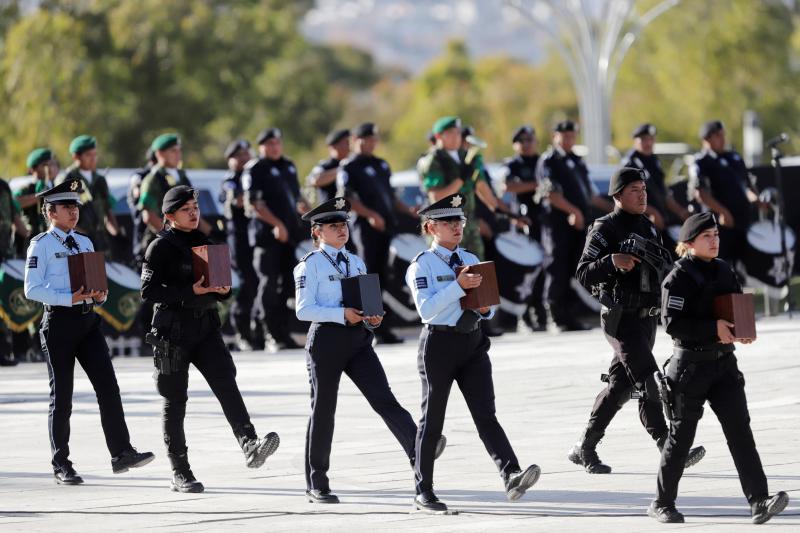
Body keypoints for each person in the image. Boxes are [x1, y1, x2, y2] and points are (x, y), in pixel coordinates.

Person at [293, 197, 445, 503]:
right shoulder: (309, 265)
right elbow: (303, 309)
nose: (341, 231)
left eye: (343, 225)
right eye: (333, 226)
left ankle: (418, 451)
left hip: (358, 340)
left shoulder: (355, 261)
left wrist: (373, 317)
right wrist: (340, 314)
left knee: (384, 399)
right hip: (327, 340)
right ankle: (317, 481)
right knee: (324, 409)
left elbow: (367, 302)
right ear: (317, 232)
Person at [649, 212, 789, 524]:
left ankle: (759, 501)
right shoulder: (677, 278)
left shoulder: (724, 269)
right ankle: (662, 502)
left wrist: (742, 329)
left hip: (724, 364)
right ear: (688, 244)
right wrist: (714, 327)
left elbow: (735, 304)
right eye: (707, 237)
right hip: (690, 369)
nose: (714, 241)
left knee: (741, 433)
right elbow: (672, 325)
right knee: (680, 438)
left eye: (716, 235)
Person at [405, 193, 541, 513]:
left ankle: (510, 473)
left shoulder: (469, 257)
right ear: (430, 227)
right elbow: (426, 310)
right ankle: (423, 488)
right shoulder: (422, 264)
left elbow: (487, 305)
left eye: (460, 221)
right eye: (448, 222)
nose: (456, 227)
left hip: (473, 342)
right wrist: (458, 287)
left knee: (486, 414)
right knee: (432, 420)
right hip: (439, 345)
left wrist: (483, 308)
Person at [141, 185, 280, 493]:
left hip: (205, 329)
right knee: (175, 400)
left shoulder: (206, 241)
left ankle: (249, 443)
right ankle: (180, 470)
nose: (194, 213)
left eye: (195, 207)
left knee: (227, 385)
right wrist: (190, 291)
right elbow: (148, 292)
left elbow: (224, 290)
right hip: (173, 332)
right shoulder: (160, 247)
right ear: (169, 215)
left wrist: (218, 287)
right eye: (186, 209)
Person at [569, 167, 705, 474]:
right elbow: (583, 271)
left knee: (619, 386)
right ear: (617, 195)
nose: (642, 195)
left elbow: (666, 270)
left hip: (646, 320)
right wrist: (612, 261)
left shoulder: (649, 227)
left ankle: (585, 447)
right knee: (649, 380)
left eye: (644, 190)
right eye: (634, 190)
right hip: (620, 318)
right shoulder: (605, 228)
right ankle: (670, 446)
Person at [24, 178, 155, 484]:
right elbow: (32, 289)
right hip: (59, 323)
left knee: (108, 387)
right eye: (67, 207)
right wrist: (66, 298)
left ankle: (122, 452)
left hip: (87, 322)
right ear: (50, 211)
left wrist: (99, 295)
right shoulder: (40, 245)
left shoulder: (84, 242)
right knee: (63, 397)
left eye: (76, 206)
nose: (74, 212)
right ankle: (61, 463)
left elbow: (96, 283)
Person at [337, 122, 416, 344]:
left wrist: (407, 210)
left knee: (383, 277)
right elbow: (348, 198)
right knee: (368, 277)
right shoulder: (349, 167)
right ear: (355, 141)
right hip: (364, 228)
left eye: (373, 139)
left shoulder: (381, 164)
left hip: (385, 227)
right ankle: (368, 327)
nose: (370, 143)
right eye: (365, 139)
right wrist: (370, 215)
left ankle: (381, 325)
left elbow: (390, 195)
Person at [536, 120, 613, 332]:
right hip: (558, 224)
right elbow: (549, 193)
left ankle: (570, 315)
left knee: (574, 268)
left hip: (578, 226)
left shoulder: (576, 161)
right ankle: (554, 315)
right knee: (556, 268)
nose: (569, 139)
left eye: (572, 135)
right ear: (555, 136)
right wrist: (573, 211)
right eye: (565, 135)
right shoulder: (549, 161)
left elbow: (590, 194)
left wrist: (615, 207)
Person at [243, 127, 309, 351]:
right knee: (268, 283)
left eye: (277, 143)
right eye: (269, 144)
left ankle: (283, 332)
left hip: (290, 236)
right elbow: (255, 203)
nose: (274, 147)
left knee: (288, 284)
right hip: (267, 236)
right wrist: (277, 224)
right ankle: (267, 330)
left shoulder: (288, 165)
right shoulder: (255, 169)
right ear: (261, 147)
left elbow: (297, 197)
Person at [418, 117, 507, 260]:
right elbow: (436, 197)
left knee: (478, 270)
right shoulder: (433, 160)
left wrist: (499, 209)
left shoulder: (466, 156)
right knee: (448, 270)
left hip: (468, 224)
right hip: (444, 227)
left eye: (458, 133)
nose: (456, 137)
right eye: (451, 133)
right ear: (439, 136)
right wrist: (460, 179)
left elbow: (481, 186)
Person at [688, 120, 760, 267]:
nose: (722, 139)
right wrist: (723, 212)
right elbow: (700, 193)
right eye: (718, 136)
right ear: (707, 139)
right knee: (720, 266)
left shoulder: (734, 157)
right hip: (718, 224)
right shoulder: (701, 161)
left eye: (723, 135)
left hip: (741, 220)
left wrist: (757, 199)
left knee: (742, 267)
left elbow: (746, 185)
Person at [502, 125, 547, 330]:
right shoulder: (513, 164)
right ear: (515, 144)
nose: (527, 144)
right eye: (522, 141)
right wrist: (537, 185)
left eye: (530, 140)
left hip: (544, 221)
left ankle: (541, 312)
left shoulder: (543, 161)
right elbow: (509, 186)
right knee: (526, 270)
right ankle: (525, 314)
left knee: (544, 269)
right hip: (524, 222)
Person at [621, 123, 689, 254]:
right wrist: (651, 212)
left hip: (659, 222)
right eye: (644, 139)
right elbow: (626, 198)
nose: (648, 143)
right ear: (635, 140)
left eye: (651, 139)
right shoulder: (630, 163)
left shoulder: (653, 160)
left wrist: (681, 212)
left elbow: (663, 193)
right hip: (639, 224)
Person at [219, 139, 260, 350]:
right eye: (239, 155)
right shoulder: (231, 180)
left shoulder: (254, 176)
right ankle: (242, 330)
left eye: (247, 154)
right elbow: (237, 200)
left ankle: (259, 329)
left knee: (259, 282)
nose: (245, 159)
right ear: (230, 160)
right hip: (239, 240)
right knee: (246, 283)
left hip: (257, 236)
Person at [56, 135, 120, 254]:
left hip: (101, 241)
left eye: (95, 154)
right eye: (88, 155)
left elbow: (107, 208)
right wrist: (80, 233)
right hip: (76, 241)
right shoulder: (67, 179)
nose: (93, 159)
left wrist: (116, 232)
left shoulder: (100, 180)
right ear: (76, 156)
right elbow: (60, 213)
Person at [0, 176, 29, 366]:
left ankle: (4, 350)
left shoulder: (3, 187)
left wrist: (26, 232)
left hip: (4, 252)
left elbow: (15, 217)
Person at [14, 148, 56, 244]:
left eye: (51, 164)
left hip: (52, 238)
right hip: (32, 239)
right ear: (33, 169)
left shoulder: (56, 185)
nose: (49, 168)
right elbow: (14, 202)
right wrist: (39, 196)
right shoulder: (28, 188)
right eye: (45, 165)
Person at [308, 128, 350, 204]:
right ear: (334, 146)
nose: (349, 146)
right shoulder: (324, 165)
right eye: (345, 143)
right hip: (329, 213)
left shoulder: (349, 163)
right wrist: (341, 171)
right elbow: (315, 180)